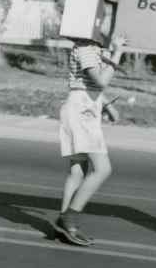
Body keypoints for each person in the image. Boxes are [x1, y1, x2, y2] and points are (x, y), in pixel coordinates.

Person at [50, 28, 129, 246]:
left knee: (78, 171)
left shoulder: (91, 48)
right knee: (103, 169)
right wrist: (118, 52)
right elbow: (100, 80)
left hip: (83, 108)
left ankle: (62, 223)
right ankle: (70, 218)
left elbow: (87, 84)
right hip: (81, 113)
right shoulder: (86, 48)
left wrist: (104, 104)